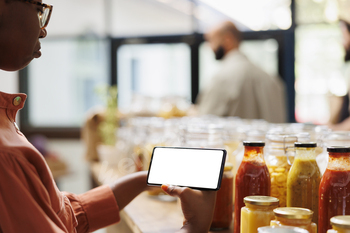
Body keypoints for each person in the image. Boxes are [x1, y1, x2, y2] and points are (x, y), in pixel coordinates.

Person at [0, 0, 216, 232]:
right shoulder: (7, 155)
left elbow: (65, 217)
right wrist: (193, 226)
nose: (43, 29)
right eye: (39, 9)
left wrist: (146, 178)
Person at [196, 21, 286, 123]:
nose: (209, 47)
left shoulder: (222, 78)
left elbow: (205, 122)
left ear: (227, 39)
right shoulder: (271, 78)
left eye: (211, 40)